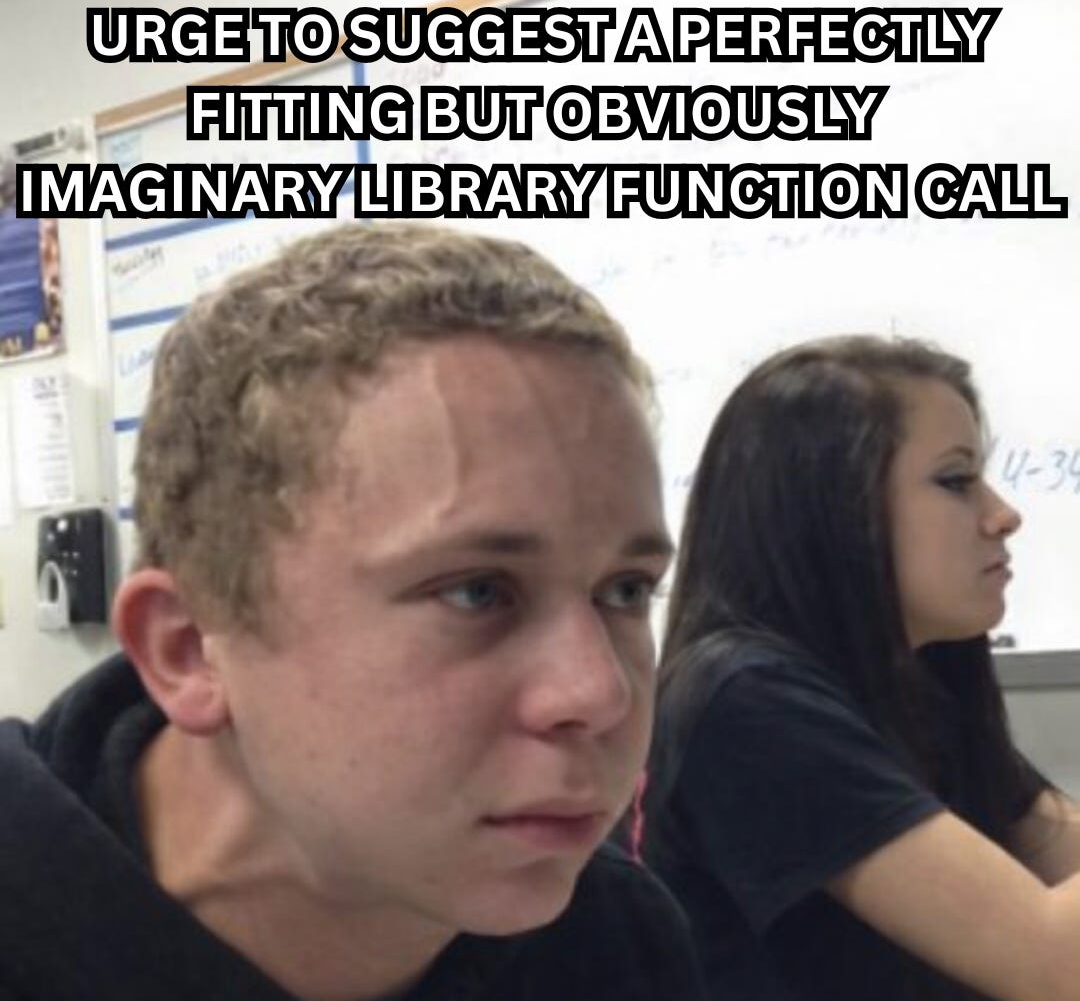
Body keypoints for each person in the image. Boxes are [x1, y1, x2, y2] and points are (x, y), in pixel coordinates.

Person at [0, 223, 706, 1001]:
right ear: (189, 650)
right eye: (477, 591)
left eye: (626, 590)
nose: (601, 693)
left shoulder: (614, 944)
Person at [641, 335, 1080, 1001]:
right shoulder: (747, 699)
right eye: (956, 481)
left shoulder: (918, 675)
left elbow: (1053, 846)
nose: (1003, 515)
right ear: (833, 504)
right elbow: (1057, 963)